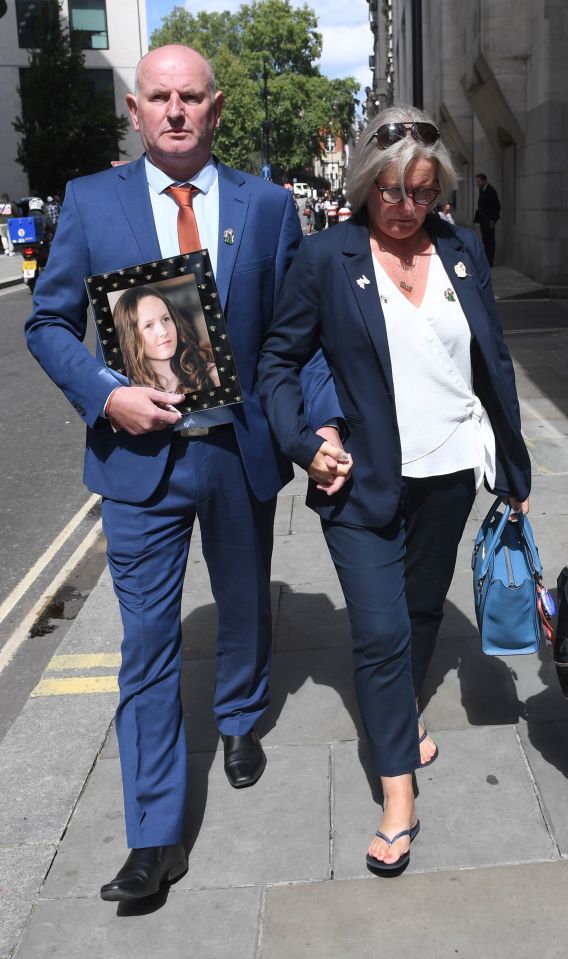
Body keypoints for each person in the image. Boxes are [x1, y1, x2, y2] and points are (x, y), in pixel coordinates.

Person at [26, 44, 342, 902]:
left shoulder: (269, 206)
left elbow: (291, 335)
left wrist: (322, 427)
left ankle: (239, 715)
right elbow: (48, 323)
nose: (174, 110)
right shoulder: (91, 203)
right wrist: (104, 392)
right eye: (158, 97)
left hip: (237, 451)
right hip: (138, 462)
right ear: (135, 111)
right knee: (148, 645)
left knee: (243, 602)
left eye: (190, 97)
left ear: (216, 107)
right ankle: (154, 836)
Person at [258, 104, 530, 874]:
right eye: (389, 190)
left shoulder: (463, 249)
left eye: (421, 190)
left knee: (418, 611)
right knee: (379, 632)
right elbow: (278, 363)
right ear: (364, 184)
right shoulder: (325, 258)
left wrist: (514, 468)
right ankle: (398, 792)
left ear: (439, 187)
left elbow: (494, 362)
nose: (405, 207)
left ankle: (400, 717)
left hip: (447, 475)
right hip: (359, 480)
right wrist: (306, 442)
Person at [112, 286, 220, 393]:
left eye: (165, 319)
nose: (163, 331)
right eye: (149, 325)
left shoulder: (213, 375)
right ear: (129, 338)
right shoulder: (127, 394)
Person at [474, 173, 500, 266]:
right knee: (485, 240)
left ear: (484, 180)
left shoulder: (491, 190)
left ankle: (490, 261)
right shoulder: (482, 190)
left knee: (490, 240)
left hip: (489, 220)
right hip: (483, 219)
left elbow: (496, 206)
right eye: (476, 182)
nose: (477, 184)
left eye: (478, 181)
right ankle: (487, 260)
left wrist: (493, 220)